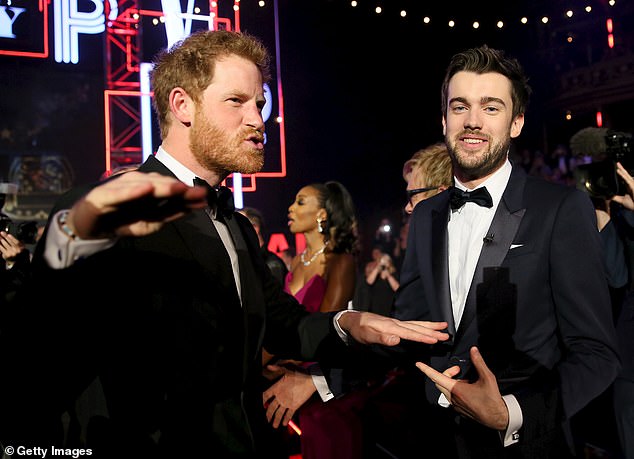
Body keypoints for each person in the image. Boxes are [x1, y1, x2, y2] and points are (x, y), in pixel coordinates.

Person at [0, 30, 451, 458]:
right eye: (236, 101)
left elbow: (283, 324)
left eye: (259, 102)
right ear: (183, 105)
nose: (258, 119)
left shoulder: (234, 225)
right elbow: (32, 369)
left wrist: (350, 323)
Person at [399, 45, 620, 458]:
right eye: (460, 106)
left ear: (516, 122)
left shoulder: (561, 209)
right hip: (437, 442)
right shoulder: (426, 215)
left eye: (491, 107)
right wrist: (324, 374)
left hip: (528, 447)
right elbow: (407, 329)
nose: (473, 122)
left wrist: (511, 413)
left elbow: (596, 354)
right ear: (444, 118)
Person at [264, 180, 365, 459]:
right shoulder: (296, 262)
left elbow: (326, 330)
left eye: (300, 202)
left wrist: (277, 360)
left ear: (321, 214)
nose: (290, 208)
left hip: (329, 393)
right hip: (294, 387)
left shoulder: (340, 261)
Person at [239, 206, 288, 286]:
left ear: (255, 228)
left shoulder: (272, 264)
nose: (234, 230)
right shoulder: (245, 260)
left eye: (239, 225)